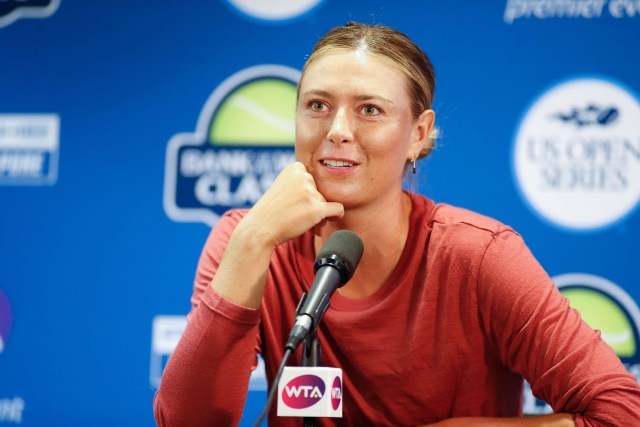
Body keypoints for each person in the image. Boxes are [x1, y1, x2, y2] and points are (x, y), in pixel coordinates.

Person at [153, 22, 640, 426]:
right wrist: (252, 242)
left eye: (370, 110)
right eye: (317, 105)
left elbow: (622, 413)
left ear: (418, 134)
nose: (337, 131)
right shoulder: (251, 240)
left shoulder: (478, 255)